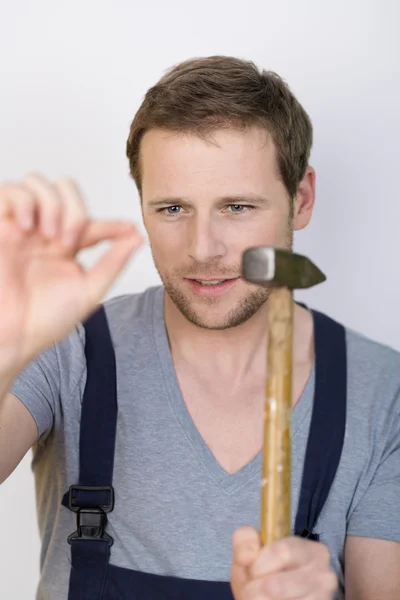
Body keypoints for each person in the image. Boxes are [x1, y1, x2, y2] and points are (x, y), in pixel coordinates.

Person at [0, 55, 399, 600]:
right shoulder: (67, 344)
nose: (202, 249)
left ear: (300, 199)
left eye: (236, 206)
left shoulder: (383, 392)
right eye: (172, 208)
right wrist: (6, 343)